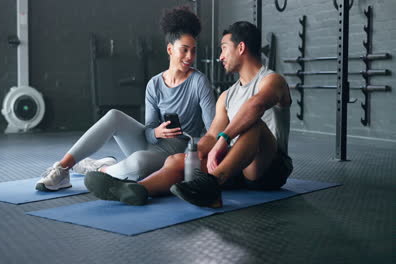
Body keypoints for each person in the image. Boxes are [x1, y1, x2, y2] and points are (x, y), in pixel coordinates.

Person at [84, 21, 293, 207]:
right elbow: (212, 135)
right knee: (177, 161)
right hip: (236, 166)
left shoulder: (272, 80)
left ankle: (211, 186)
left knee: (252, 123)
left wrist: (224, 139)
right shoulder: (227, 96)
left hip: (269, 167)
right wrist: (191, 155)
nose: (220, 56)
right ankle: (136, 189)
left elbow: (255, 106)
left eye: (223, 49)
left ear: (241, 48)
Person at [35, 6, 216, 192]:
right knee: (114, 115)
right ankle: (63, 168)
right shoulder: (154, 84)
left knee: (138, 163)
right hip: (151, 144)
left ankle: (100, 168)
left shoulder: (199, 82)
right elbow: (147, 131)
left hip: (175, 152)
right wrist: (156, 133)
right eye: (184, 50)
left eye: (193, 51)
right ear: (170, 49)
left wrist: (195, 154)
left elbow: (213, 129)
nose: (190, 57)